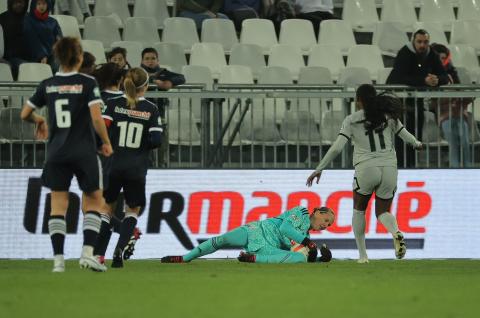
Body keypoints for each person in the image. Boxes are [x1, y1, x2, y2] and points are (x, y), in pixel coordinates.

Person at [19, 37, 113, 272]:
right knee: (94, 200)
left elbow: (25, 113)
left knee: (58, 205)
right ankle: (87, 254)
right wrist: (106, 141)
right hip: (84, 152)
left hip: (56, 153)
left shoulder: (48, 83)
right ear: (79, 56)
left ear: (58, 57)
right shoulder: (87, 82)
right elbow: (95, 116)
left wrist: (39, 119)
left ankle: (58, 261)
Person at [306, 84, 423, 263]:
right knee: (383, 211)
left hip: (366, 168)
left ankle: (363, 255)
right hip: (390, 168)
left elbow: (337, 148)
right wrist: (416, 143)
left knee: (359, 210)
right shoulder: (388, 115)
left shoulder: (352, 120)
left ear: (358, 100)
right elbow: (404, 134)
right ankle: (396, 232)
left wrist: (320, 168)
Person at [98, 68, 163, 268]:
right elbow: (156, 140)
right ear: (146, 86)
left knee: (107, 209)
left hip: (113, 164)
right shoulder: (151, 109)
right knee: (132, 210)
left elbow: (101, 130)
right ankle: (119, 249)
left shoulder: (112, 104)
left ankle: (99, 256)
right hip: (136, 167)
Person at [161, 206, 335, 264]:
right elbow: (284, 229)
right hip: (256, 230)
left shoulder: (306, 238)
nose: (325, 225)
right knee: (223, 239)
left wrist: (320, 259)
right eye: (325, 219)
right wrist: (307, 243)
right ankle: (185, 258)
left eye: (329, 224)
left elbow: (304, 259)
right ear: (317, 211)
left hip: (267, 248)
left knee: (297, 259)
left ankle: (252, 258)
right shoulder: (302, 211)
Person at [386, 29, 448, 167]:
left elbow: (444, 76)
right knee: (401, 139)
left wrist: (436, 80)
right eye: (419, 42)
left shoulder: (432, 53)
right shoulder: (404, 53)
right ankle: (400, 168)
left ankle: (412, 168)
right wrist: (423, 80)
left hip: (417, 102)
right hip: (399, 103)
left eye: (425, 42)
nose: (422, 45)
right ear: (413, 41)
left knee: (415, 138)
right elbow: (399, 77)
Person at [141, 47, 185, 166]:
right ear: (142, 61)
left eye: (153, 58)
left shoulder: (163, 73)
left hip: (159, 114)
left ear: (158, 60)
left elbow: (181, 77)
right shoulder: (138, 73)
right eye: (147, 59)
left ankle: (162, 164)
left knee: (161, 140)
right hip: (140, 114)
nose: (150, 61)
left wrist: (168, 83)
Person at [430, 43, 472, 168]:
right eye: (439, 59)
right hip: (444, 115)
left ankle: (468, 168)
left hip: (459, 112)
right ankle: (455, 169)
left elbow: (460, 95)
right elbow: (430, 101)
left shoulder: (452, 75)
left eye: (444, 58)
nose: (442, 61)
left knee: (464, 140)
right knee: (453, 141)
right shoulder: (430, 76)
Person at [23, 0, 62, 71]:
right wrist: (42, 55)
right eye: (39, 4)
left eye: (44, 4)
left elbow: (59, 37)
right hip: (34, 54)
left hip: (51, 54)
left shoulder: (53, 21)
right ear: (34, 5)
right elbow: (32, 39)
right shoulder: (28, 20)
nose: (41, 6)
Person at [0, 0, 29, 79]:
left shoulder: (30, 19)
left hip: (30, 57)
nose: (19, 5)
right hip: (8, 59)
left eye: (21, 2)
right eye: (16, 2)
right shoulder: (2, 19)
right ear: (10, 3)